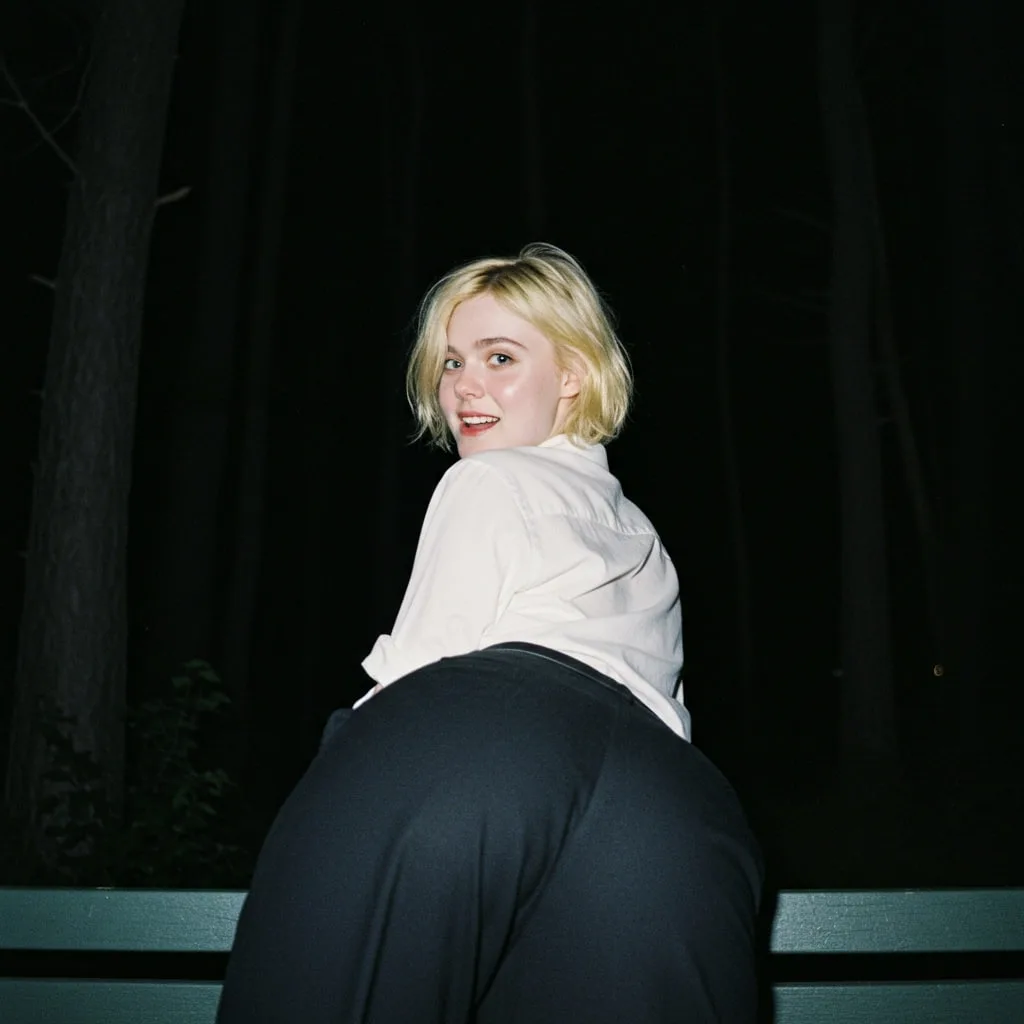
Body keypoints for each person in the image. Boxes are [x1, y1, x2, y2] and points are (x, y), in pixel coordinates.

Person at [217, 244, 763, 1023]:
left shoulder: (486, 478)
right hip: (676, 804)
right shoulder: (641, 532)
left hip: (493, 733)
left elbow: (420, 673)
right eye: (451, 363)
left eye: (499, 357)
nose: (463, 386)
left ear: (573, 375)